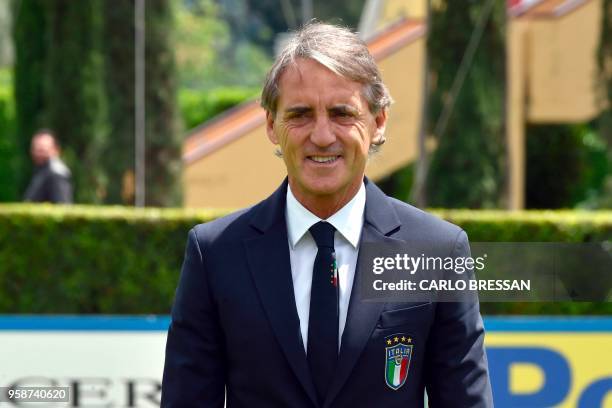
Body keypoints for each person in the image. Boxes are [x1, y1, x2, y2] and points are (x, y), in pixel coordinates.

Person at [162, 23, 492, 407]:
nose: (321, 136)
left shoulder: (437, 251)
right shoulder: (215, 253)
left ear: (378, 122)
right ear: (271, 125)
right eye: (300, 114)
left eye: (341, 113)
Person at [23, 129, 73, 204]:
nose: (38, 154)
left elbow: (62, 206)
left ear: (56, 150)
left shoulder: (57, 173)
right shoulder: (41, 170)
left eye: (42, 150)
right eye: (35, 149)